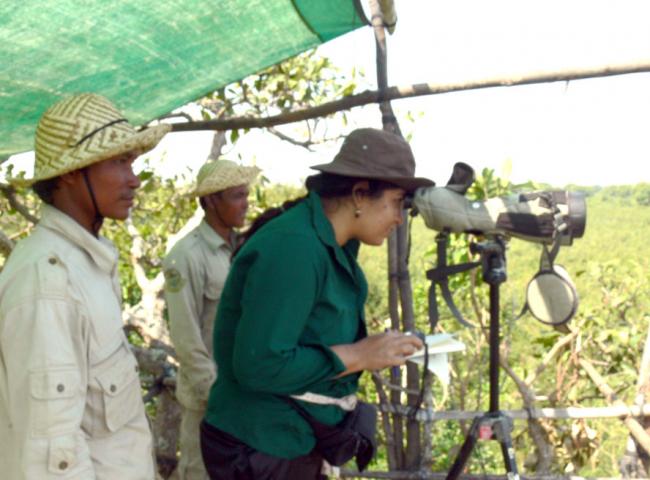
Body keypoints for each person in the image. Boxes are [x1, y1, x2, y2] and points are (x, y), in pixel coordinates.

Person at [200, 128, 434, 479]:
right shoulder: (295, 247)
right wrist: (359, 355)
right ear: (359, 194)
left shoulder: (331, 247)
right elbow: (260, 364)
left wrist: (377, 350)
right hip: (262, 444)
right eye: (397, 202)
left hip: (296, 440)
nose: (399, 218)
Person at [0, 93, 170, 479]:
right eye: (119, 161)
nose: (134, 179)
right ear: (70, 172)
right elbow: (52, 457)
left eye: (132, 162)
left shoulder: (85, 262)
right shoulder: (49, 282)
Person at [163, 159, 260, 480]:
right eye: (236, 195)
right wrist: (215, 394)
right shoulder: (186, 255)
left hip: (245, 398)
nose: (245, 203)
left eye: (246, 194)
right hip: (210, 404)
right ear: (209, 201)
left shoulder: (246, 248)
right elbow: (185, 335)